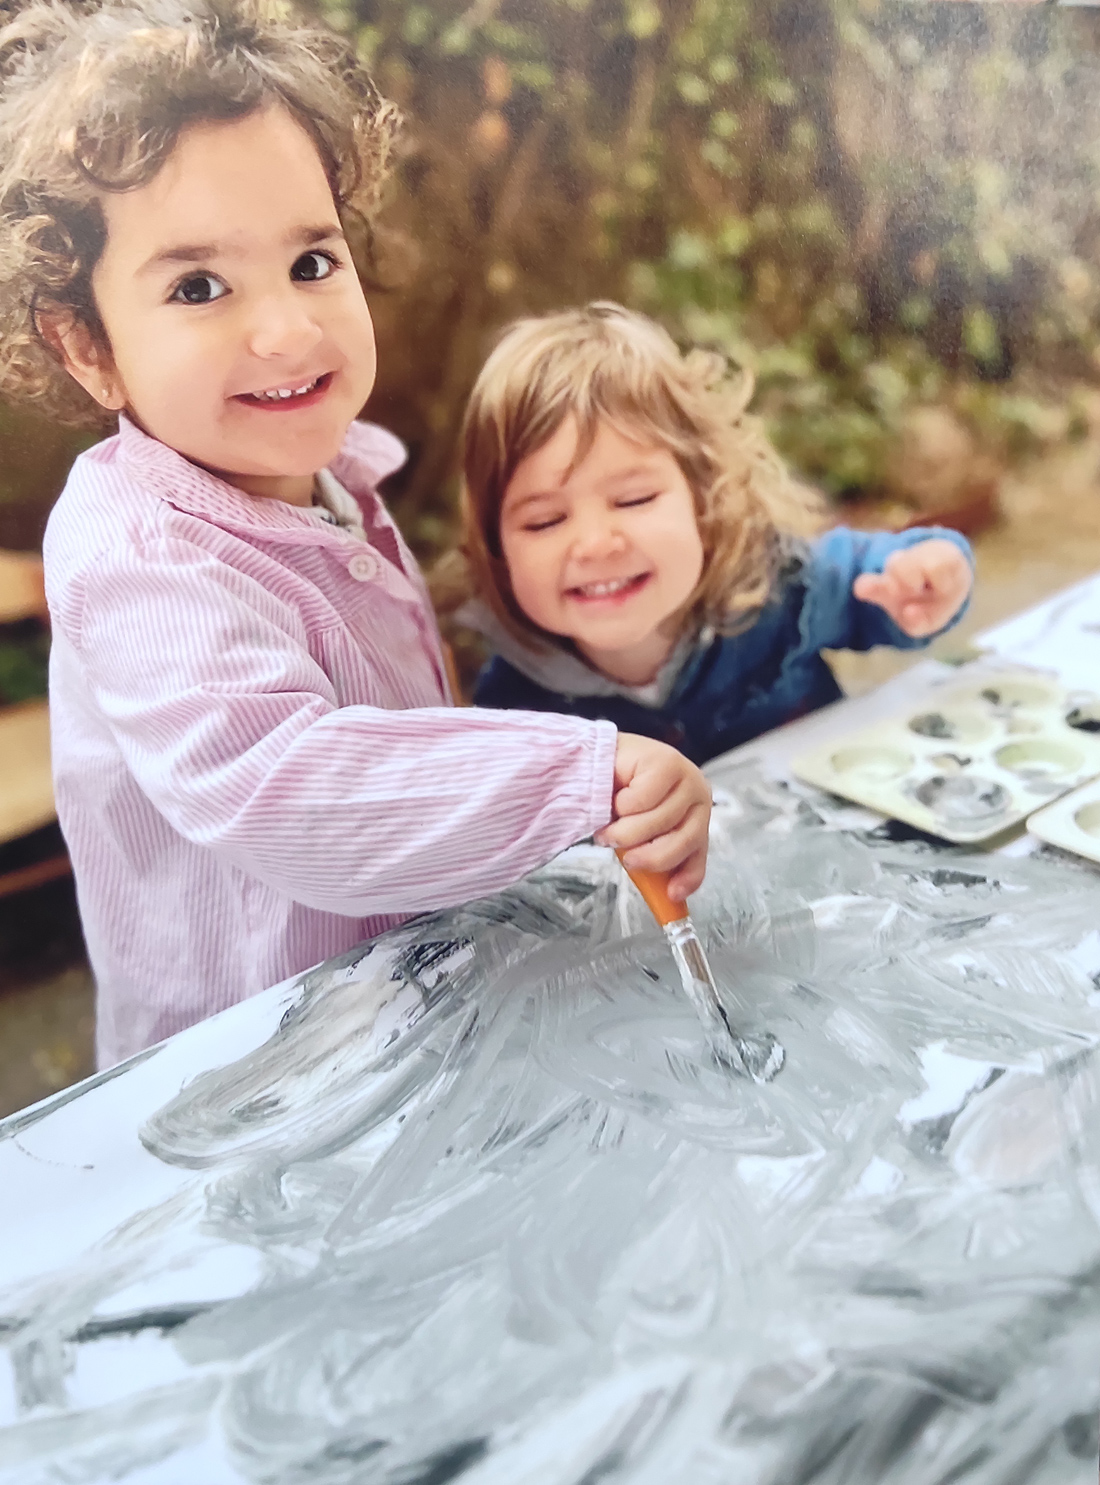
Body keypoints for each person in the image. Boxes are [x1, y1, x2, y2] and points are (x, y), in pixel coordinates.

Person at [0, 4, 710, 1066]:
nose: (286, 328)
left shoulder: (325, 482)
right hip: (258, 1078)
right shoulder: (138, 556)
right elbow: (288, 787)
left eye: (311, 261)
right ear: (86, 346)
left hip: (400, 1016)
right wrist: (575, 778)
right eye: (198, 286)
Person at [450, 302, 975, 764]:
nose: (595, 543)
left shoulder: (776, 585)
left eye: (633, 499)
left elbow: (876, 577)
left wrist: (928, 574)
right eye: (545, 521)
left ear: (703, 498)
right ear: (497, 549)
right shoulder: (516, 710)